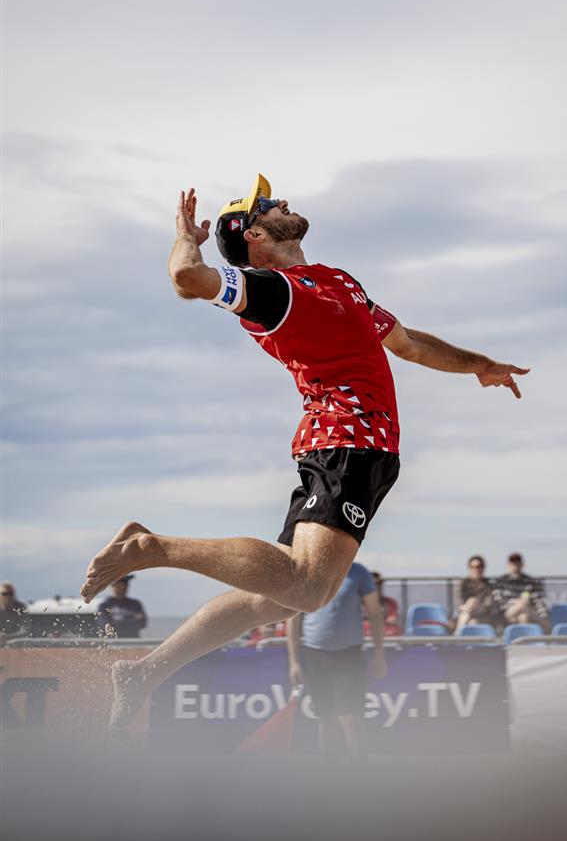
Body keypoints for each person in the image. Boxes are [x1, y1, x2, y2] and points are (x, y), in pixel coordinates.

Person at [78, 179, 530, 729]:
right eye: (269, 205)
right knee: (308, 589)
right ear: (255, 234)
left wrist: (478, 364)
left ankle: (144, 673)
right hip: (344, 441)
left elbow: (409, 344)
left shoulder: (338, 281)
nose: (283, 203)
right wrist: (185, 237)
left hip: (368, 449)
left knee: (276, 599)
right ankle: (152, 547)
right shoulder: (272, 290)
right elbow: (186, 278)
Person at [287, 562, 386, 756]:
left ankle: (359, 770)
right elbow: (293, 619)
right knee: (326, 718)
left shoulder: (358, 573)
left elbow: (375, 613)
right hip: (315, 656)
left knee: (351, 719)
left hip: (349, 656)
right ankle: (331, 770)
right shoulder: (304, 573)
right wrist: (294, 662)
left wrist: (379, 655)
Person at [493, 552, 549, 628]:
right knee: (523, 605)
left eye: (517, 563)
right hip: (506, 615)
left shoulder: (531, 582)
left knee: (524, 617)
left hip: (528, 614)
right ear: (508, 565)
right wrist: (518, 603)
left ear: (522, 564)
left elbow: (539, 601)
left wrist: (544, 617)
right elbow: (498, 602)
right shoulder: (500, 582)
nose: (515, 565)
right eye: (513, 563)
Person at [448, 555, 499, 633]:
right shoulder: (462, 584)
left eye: (479, 566)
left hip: (483, 616)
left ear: (483, 568)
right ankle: (458, 635)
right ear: (469, 568)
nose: (476, 569)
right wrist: (467, 606)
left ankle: (457, 636)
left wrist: (476, 606)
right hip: (464, 613)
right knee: (467, 615)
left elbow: (489, 603)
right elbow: (458, 603)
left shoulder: (489, 585)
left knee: (473, 621)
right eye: (473, 567)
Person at [366, 571, 402, 636]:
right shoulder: (359, 604)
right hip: (366, 635)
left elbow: (392, 620)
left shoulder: (391, 602)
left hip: (387, 634)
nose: (376, 586)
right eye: (372, 584)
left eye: (379, 583)